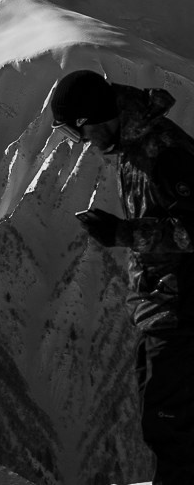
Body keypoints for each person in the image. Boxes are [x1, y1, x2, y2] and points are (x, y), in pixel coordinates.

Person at [53, 69, 194, 485]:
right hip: (164, 308)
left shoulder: (162, 152)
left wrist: (123, 234)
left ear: (93, 119)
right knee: (165, 424)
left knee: (172, 430)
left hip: (182, 312)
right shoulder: (136, 148)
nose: (84, 143)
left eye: (78, 132)